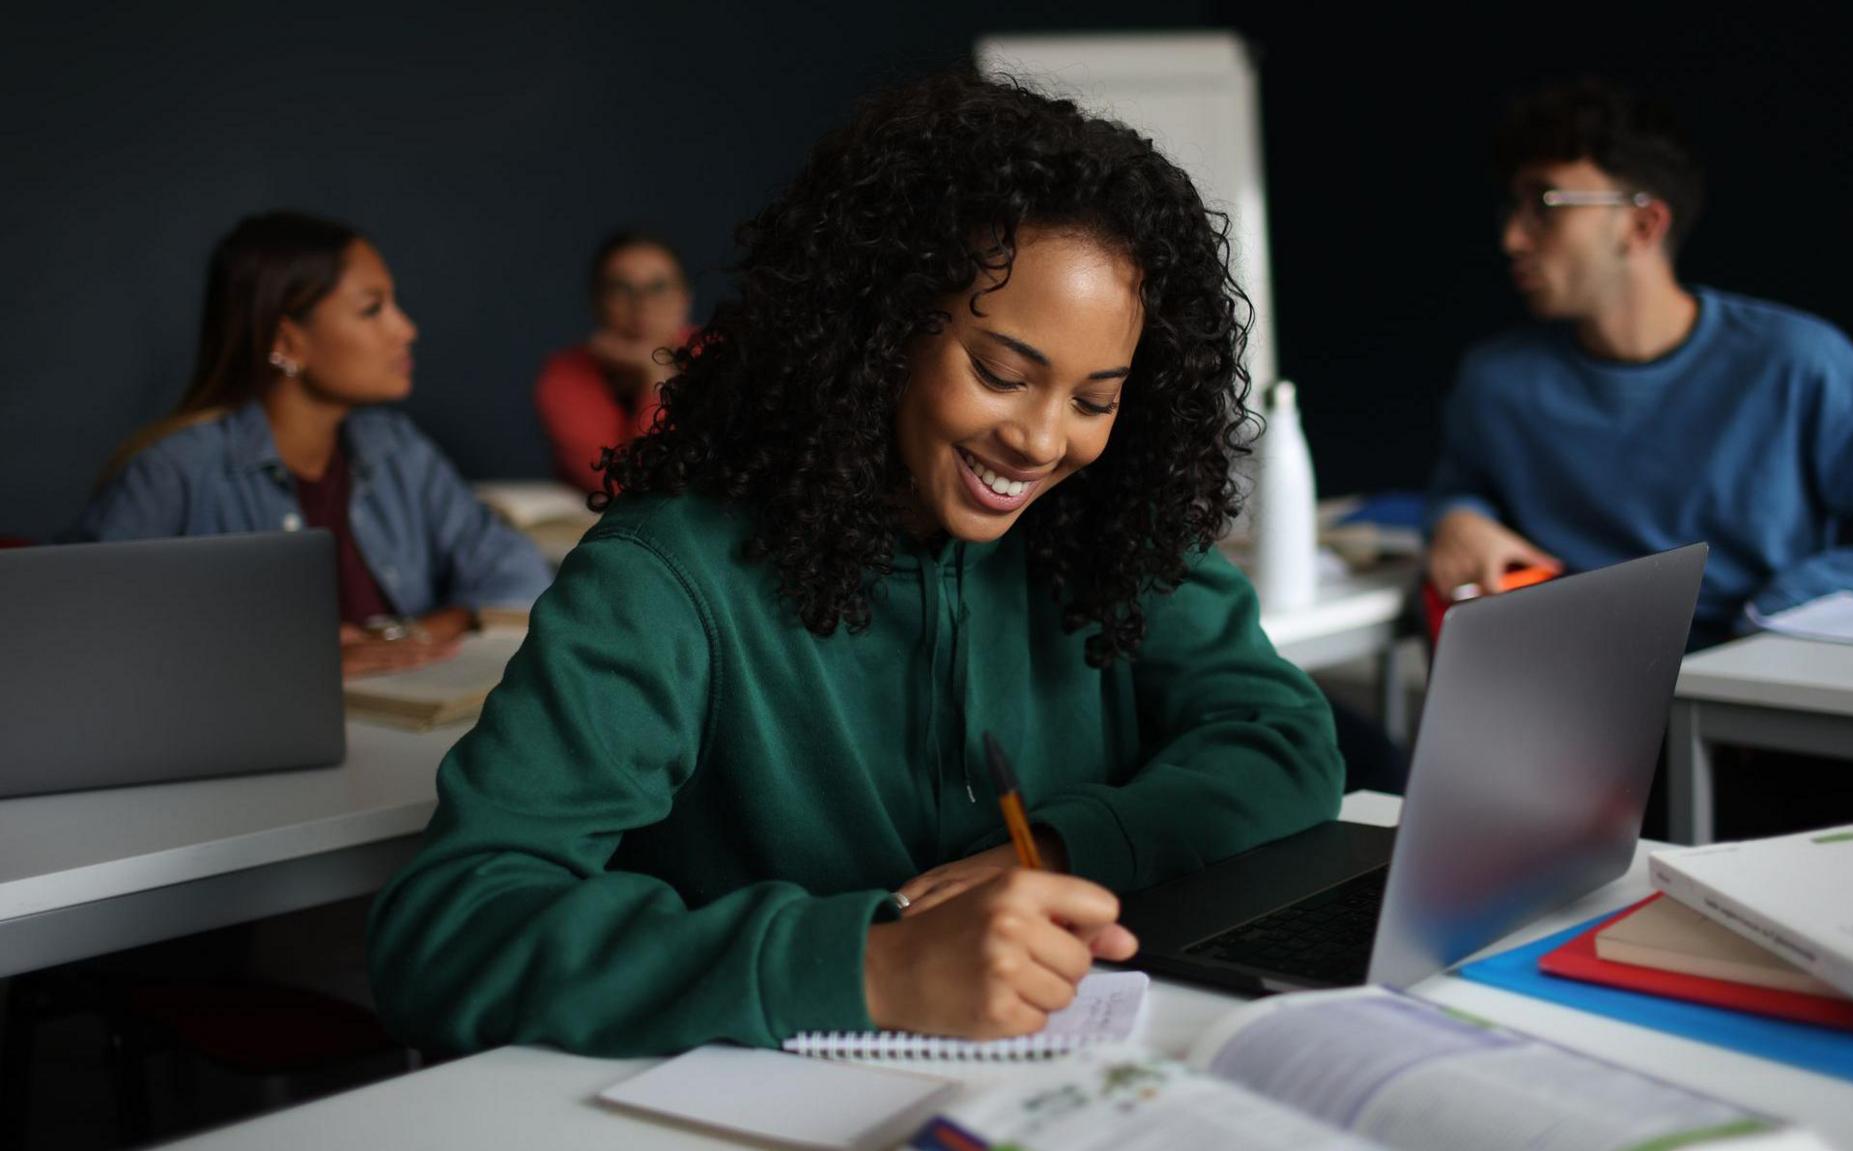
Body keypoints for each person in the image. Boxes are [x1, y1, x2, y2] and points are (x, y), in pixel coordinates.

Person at [367, 73, 1346, 1056]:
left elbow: (1284, 737)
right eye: (999, 373)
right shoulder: (666, 579)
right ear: (880, 327)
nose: (1042, 440)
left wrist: (1056, 843)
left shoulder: (1101, 527)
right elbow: (449, 927)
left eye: (1094, 399)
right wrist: (872, 964)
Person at [1424, 78, 1853, 649]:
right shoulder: (1496, 382)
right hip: (1577, 680)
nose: (1512, 238)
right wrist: (1456, 518)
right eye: (1512, 208)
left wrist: (1774, 608)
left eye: (1544, 205)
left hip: (1758, 679)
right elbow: (1462, 486)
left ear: (1642, 225)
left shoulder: (1794, 360)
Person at [71, 211, 551, 679]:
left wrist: (416, 632)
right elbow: (76, 640)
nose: (406, 329)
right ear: (288, 341)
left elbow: (520, 573)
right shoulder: (174, 471)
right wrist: (284, 663)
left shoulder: (397, 448)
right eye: (371, 309)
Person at [534, 231, 697, 493]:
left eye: (658, 288)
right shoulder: (565, 375)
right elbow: (623, 487)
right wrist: (654, 376)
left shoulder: (719, 356)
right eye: (622, 289)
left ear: (685, 298)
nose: (642, 305)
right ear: (597, 302)